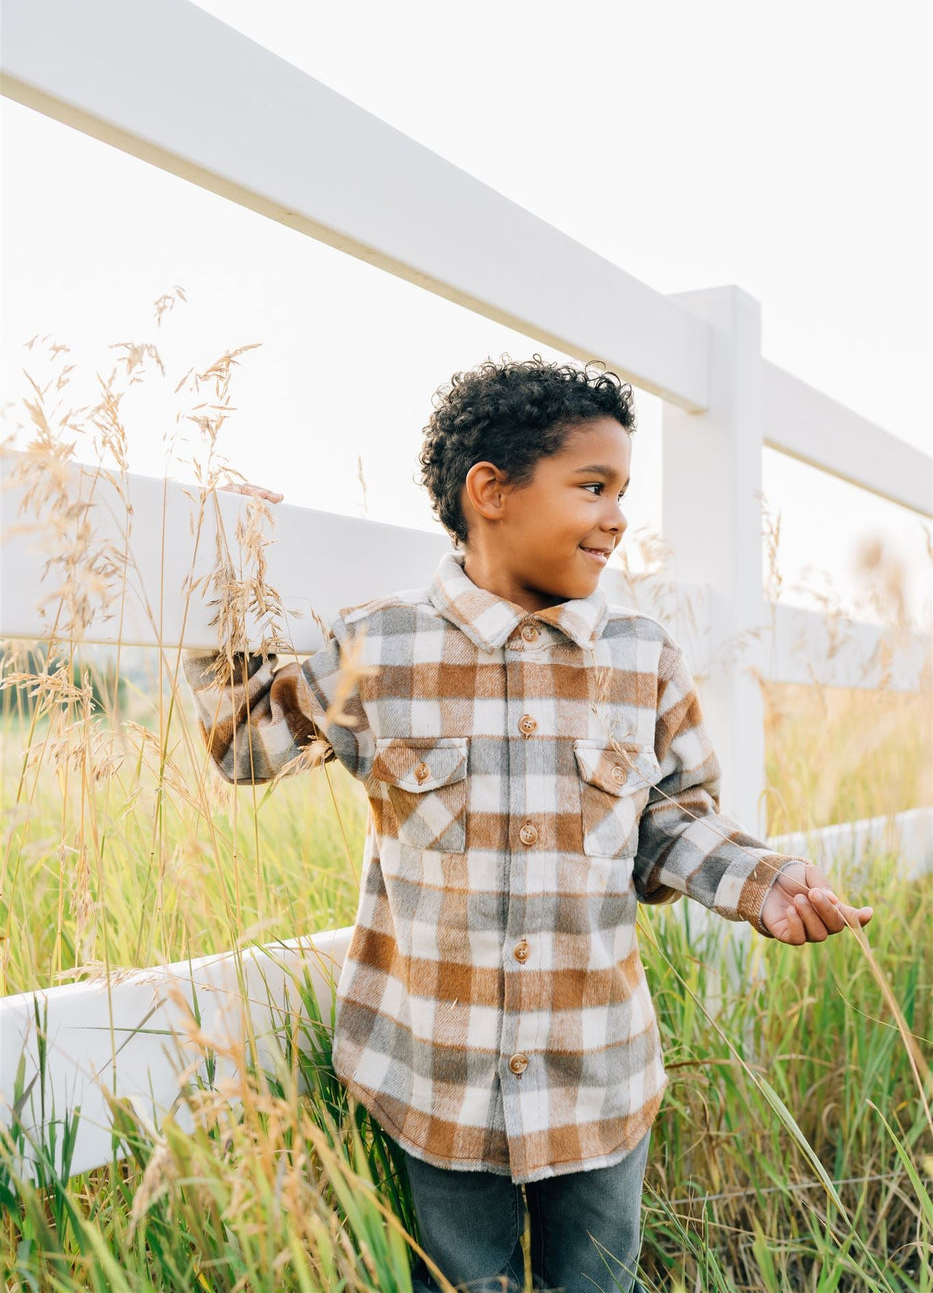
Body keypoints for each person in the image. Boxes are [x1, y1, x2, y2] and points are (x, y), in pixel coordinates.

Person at [184, 357, 873, 1293]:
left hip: (596, 1074)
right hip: (432, 1075)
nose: (618, 516)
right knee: (462, 1281)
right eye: (592, 486)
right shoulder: (378, 650)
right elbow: (242, 748)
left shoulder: (640, 658)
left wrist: (760, 880)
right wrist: (226, 576)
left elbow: (668, 821)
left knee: (596, 1280)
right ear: (491, 491)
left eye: (623, 491)